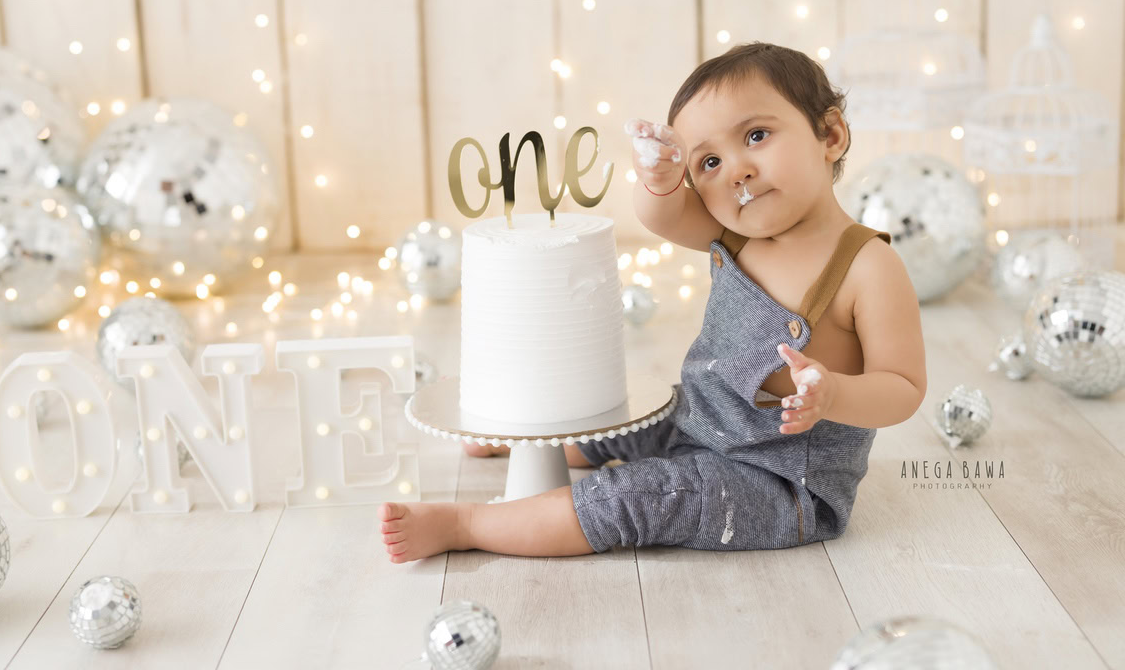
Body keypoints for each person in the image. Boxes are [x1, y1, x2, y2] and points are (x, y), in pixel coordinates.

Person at [377, 41, 927, 562]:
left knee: (640, 495)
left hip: (779, 481)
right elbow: (661, 214)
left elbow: (902, 388)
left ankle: (469, 526)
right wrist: (659, 178)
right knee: (625, 421)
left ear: (830, 133)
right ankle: (522, 447)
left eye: (756, 135)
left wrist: (833, 395)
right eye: (708, 163)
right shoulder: (739, 236)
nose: (736, 169)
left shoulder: (866, 267)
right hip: (699, 419)